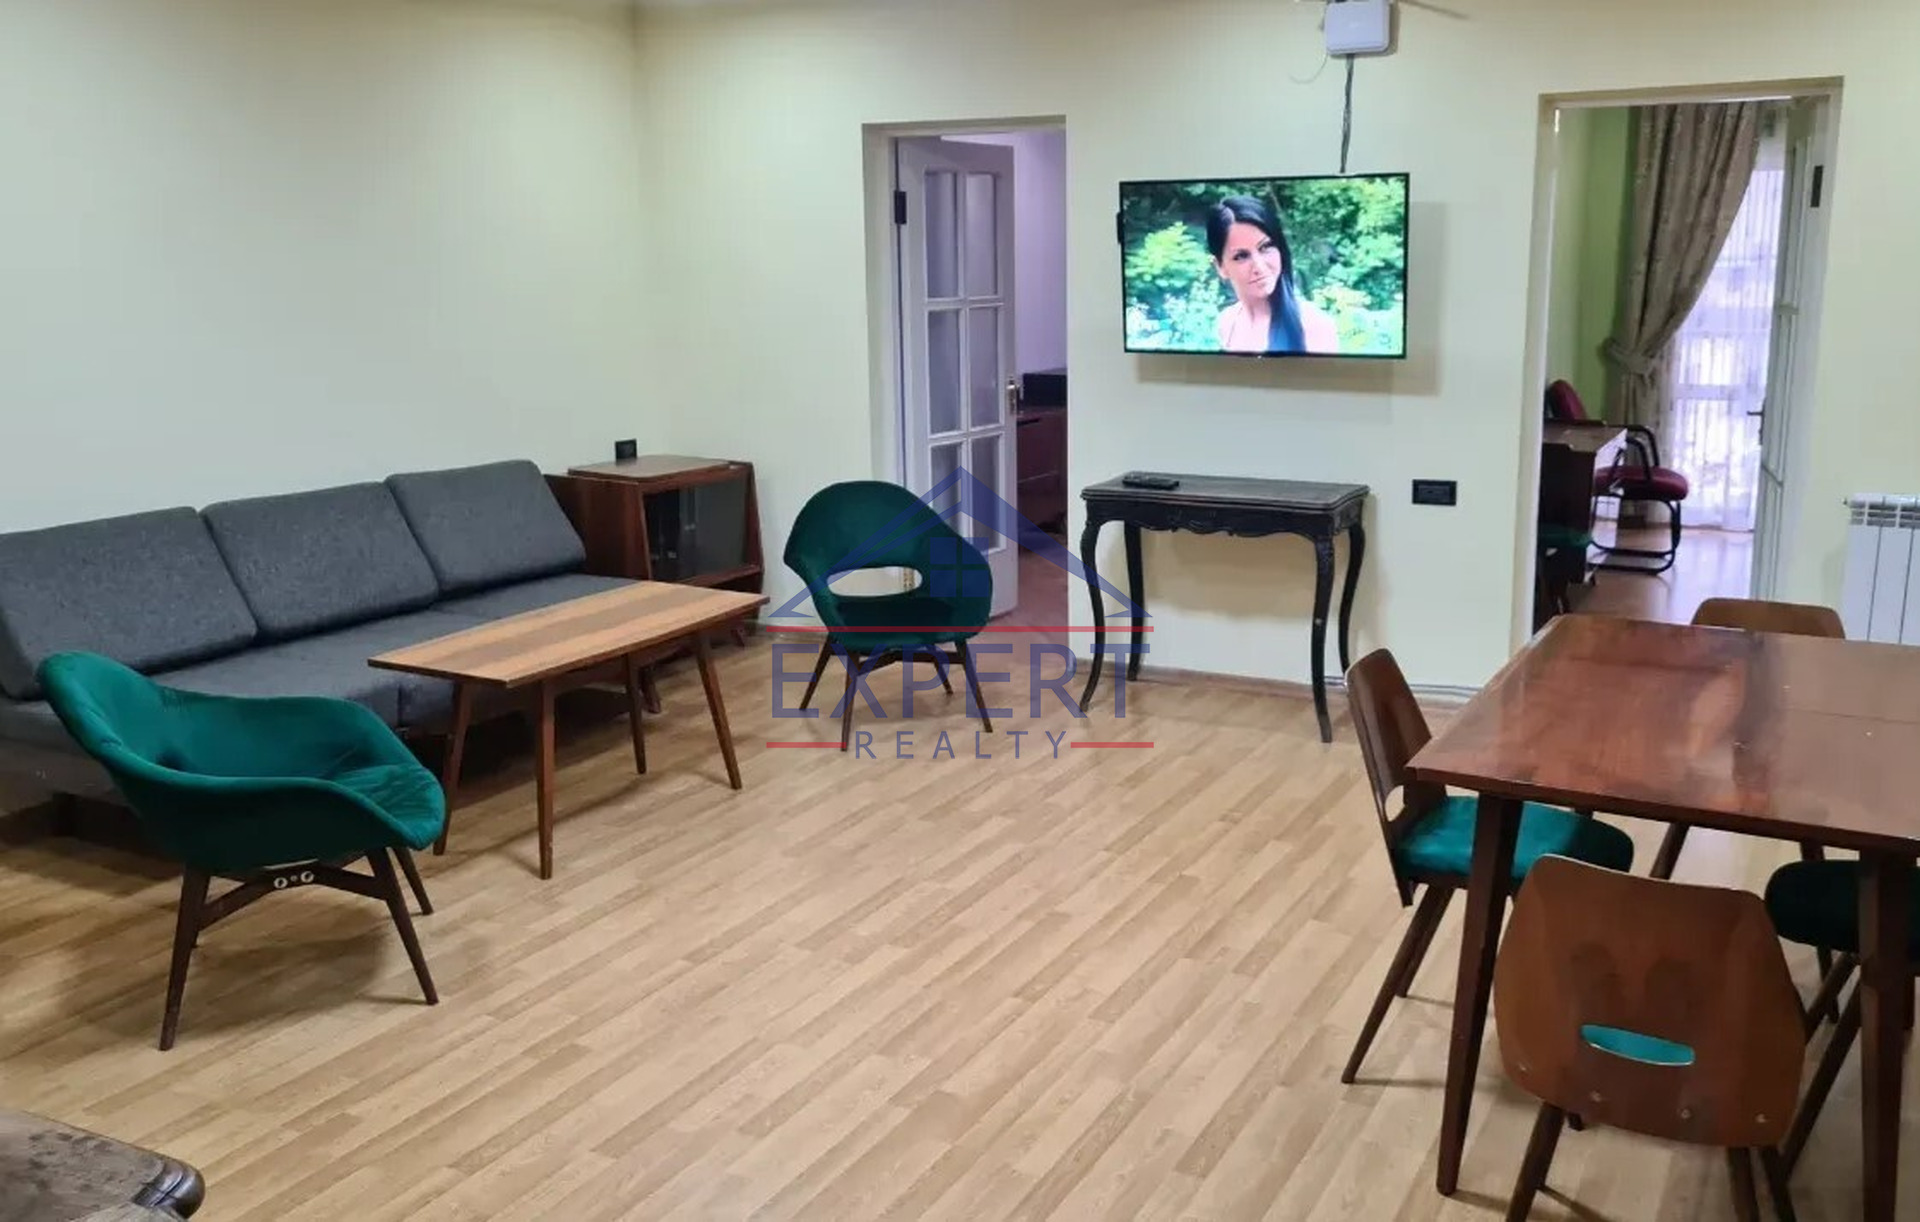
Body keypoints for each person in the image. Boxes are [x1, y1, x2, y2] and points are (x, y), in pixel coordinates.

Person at [1205, 196, 1341, 355]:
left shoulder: (1314, 326)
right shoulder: (1227, 323)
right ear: (1220, 267)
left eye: (1265, 247)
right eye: (1241, 256)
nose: (1259, 266)